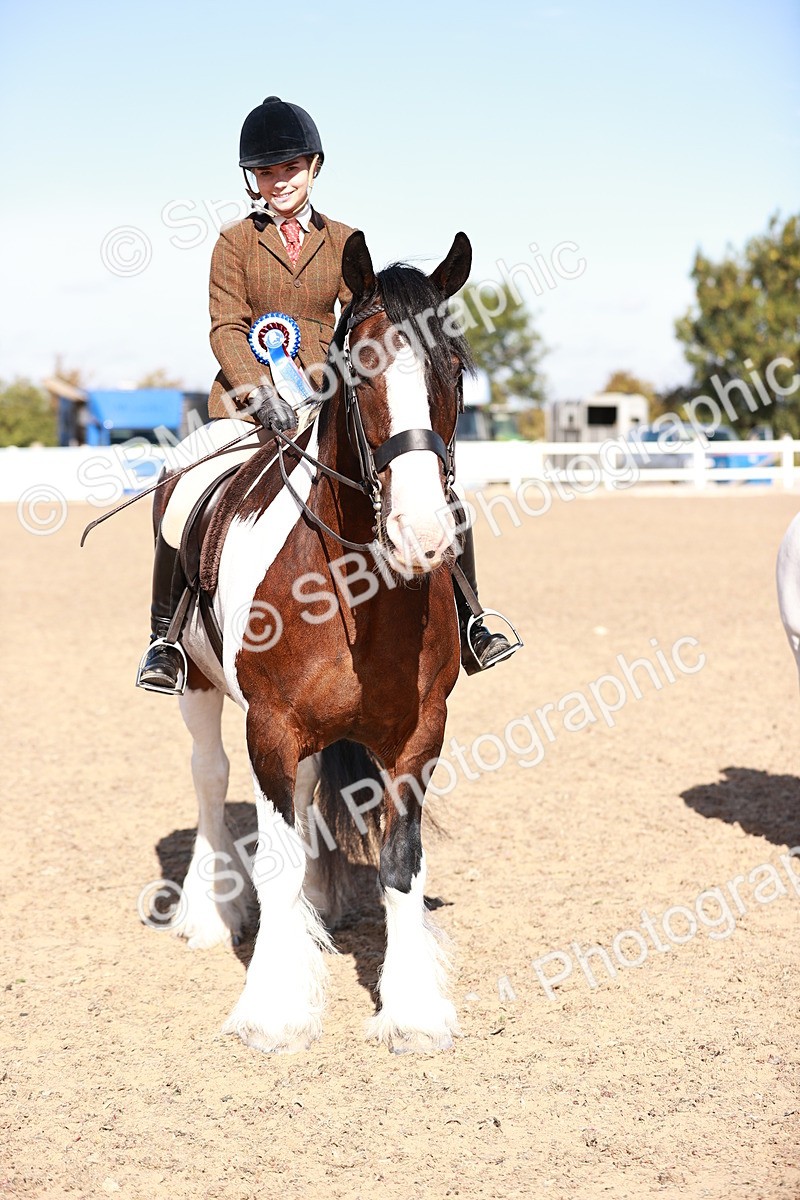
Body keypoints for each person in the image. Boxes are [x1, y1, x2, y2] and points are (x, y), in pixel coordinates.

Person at [136, 96, 519, 695]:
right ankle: (166, 639)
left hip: (324, 402)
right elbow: (225, 327)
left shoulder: (345, 240)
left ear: (315, 167)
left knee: (441, 491)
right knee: (182, 482)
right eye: (267, 172)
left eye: (290, 168)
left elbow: (365, 318)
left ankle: (473, 622)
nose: (279, 181)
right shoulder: (233, 243)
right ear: (252, 180)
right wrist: (259, 394)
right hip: (245, 409)